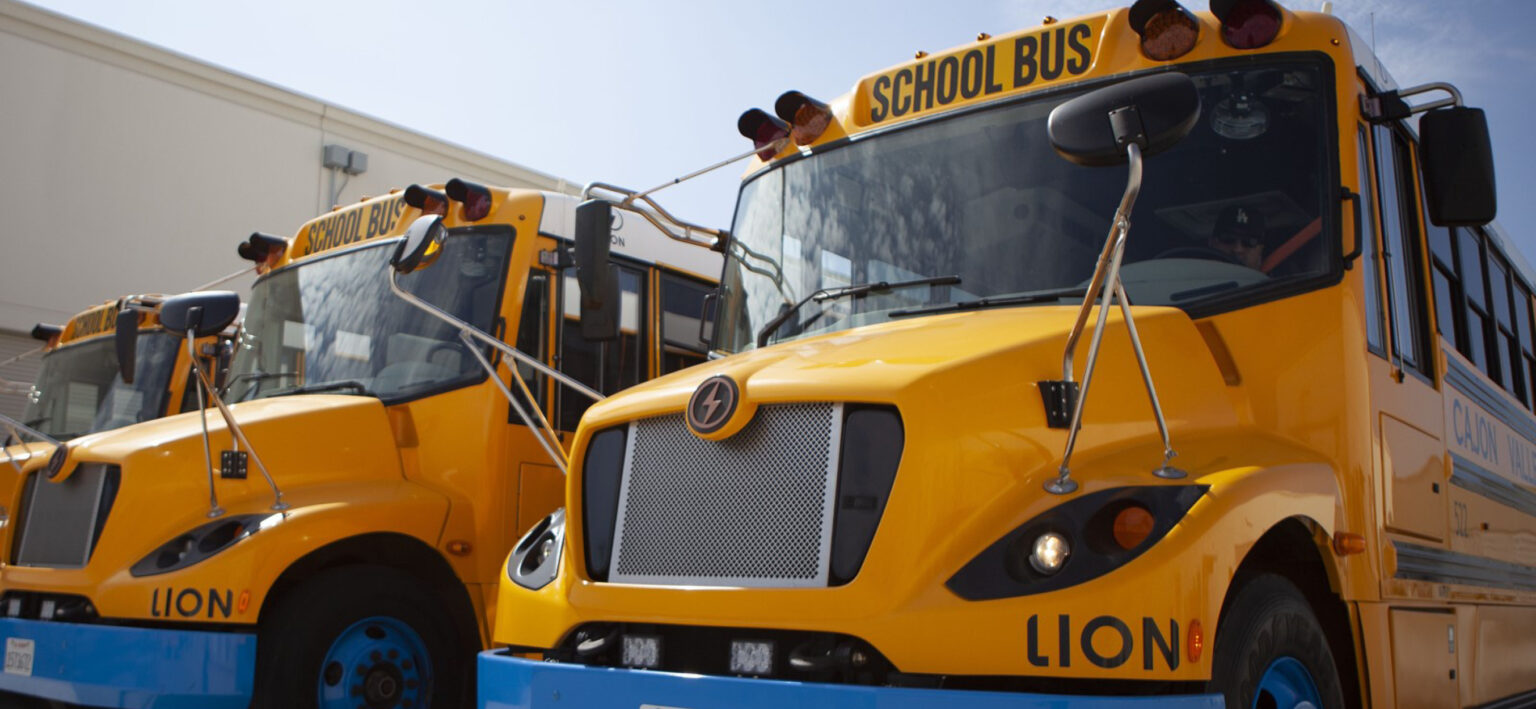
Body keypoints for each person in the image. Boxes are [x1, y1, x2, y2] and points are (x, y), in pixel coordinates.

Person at [1209, 204, 1266, 270]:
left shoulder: (1277, 280)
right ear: (1212, 243)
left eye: (1248, 242)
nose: (1238, 249)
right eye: (1228, 239)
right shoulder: (1195, 277)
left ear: (1260, 250)